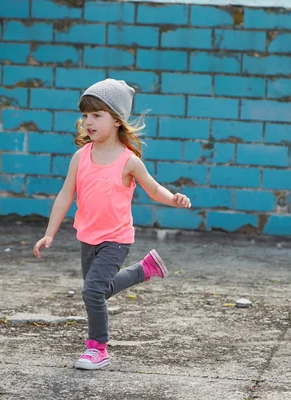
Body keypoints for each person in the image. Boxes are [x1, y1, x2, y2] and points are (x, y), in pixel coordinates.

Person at [32, 79, 191, 368]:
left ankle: (97, 349)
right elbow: (65, 195)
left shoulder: (129, 161)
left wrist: (174, 199)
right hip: (87, 238)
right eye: (84, 116)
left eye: (96, 115)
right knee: (99, 290)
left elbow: (154, 190)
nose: (87, 122)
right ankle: (145, 269)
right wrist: (49, 234)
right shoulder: (81, 157)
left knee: (92, 291)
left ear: (117, 120)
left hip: (116, 239)